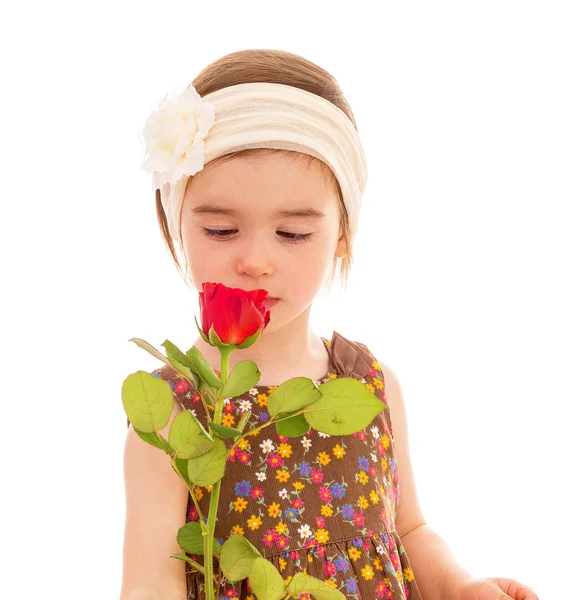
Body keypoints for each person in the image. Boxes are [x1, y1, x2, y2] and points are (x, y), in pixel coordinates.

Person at [121, 49, 540, 600]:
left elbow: (407, 530)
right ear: (177, 225)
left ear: (342, 234)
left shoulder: (369, 385)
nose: (255, 261)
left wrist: (460, 586)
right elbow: (152, 582)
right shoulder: (172, 412)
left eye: (292, 234)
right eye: (221, 230)